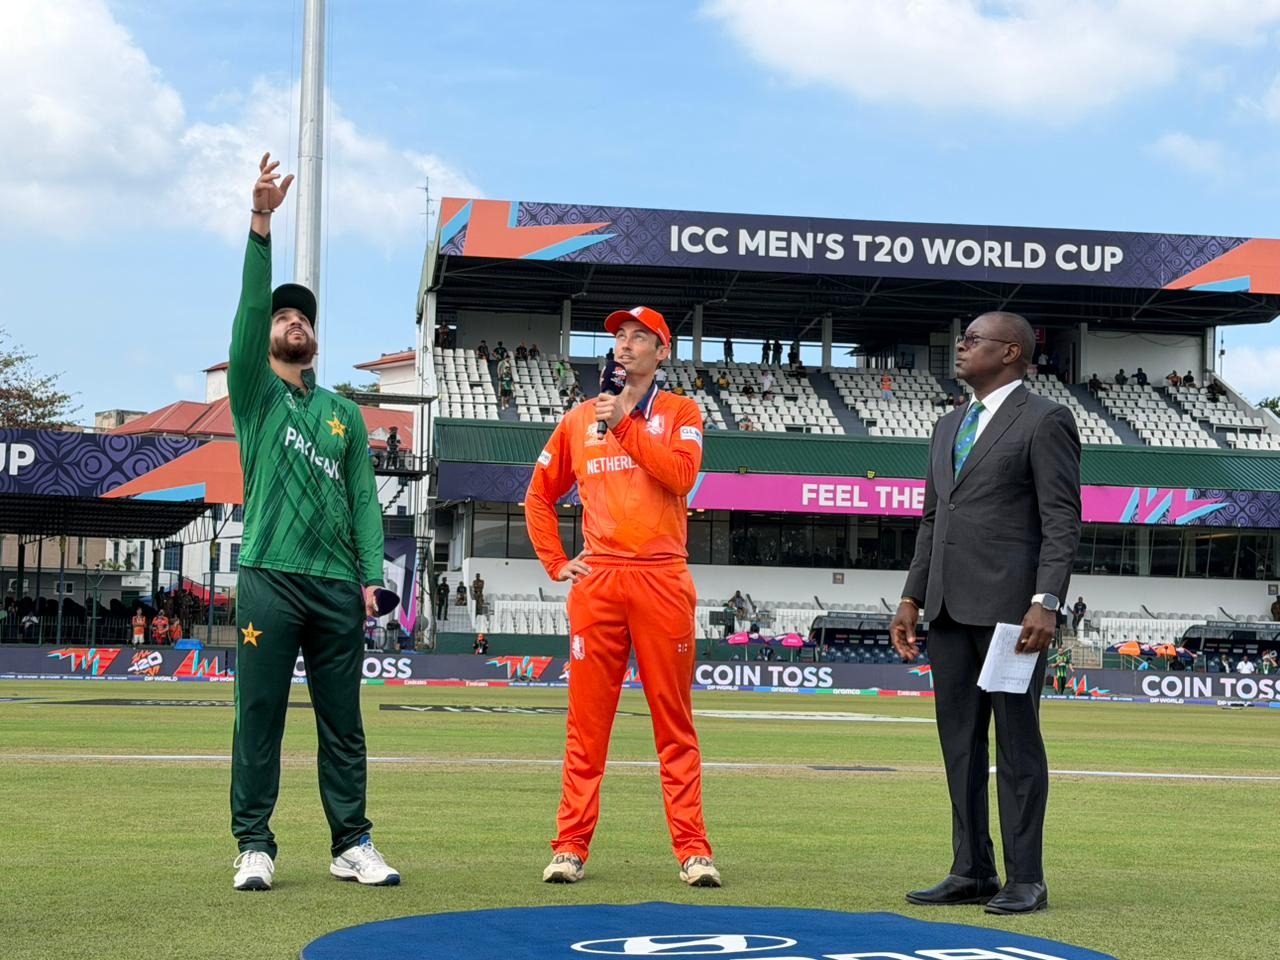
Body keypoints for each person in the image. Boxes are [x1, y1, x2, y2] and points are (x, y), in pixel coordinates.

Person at [226, 154, 398, 892]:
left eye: (303, 318)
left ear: (315, 340)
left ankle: (350, 842)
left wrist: (369, 577)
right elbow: (246, 312)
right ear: (267, 337)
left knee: (343, 724)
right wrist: (262, 222)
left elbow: (364, 499)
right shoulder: (255, 395)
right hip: (268, 575)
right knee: (259, 713)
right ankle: (255, 845)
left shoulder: (344, 415)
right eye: (281, 316)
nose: (292, 321)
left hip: (335, 587)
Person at [891, 311, 1081, 916]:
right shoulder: (950, 425)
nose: (961, 347)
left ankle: (1027, 877)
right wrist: (911, 596)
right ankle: (971, 868)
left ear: (1011, 352)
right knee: (961, 747)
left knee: (1017, 747)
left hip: (1012, 616)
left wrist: (1046, 601)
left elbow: (1062, 520)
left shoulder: (1046, 419)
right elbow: (931, 519)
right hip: (946, 609)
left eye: (973, 340)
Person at [525, 304, 720, 888]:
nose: (626, 345)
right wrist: (557, 562)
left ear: (662, 353)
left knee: (674, 725)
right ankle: (569, 847)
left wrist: (627, 423)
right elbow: (537, 497)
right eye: (620, 337)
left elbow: (682, 476)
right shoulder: (580, 419)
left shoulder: (682, 411)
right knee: (587, 727)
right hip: (600, 581)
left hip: (662, 576)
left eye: (641, 337)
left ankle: (693, 851)